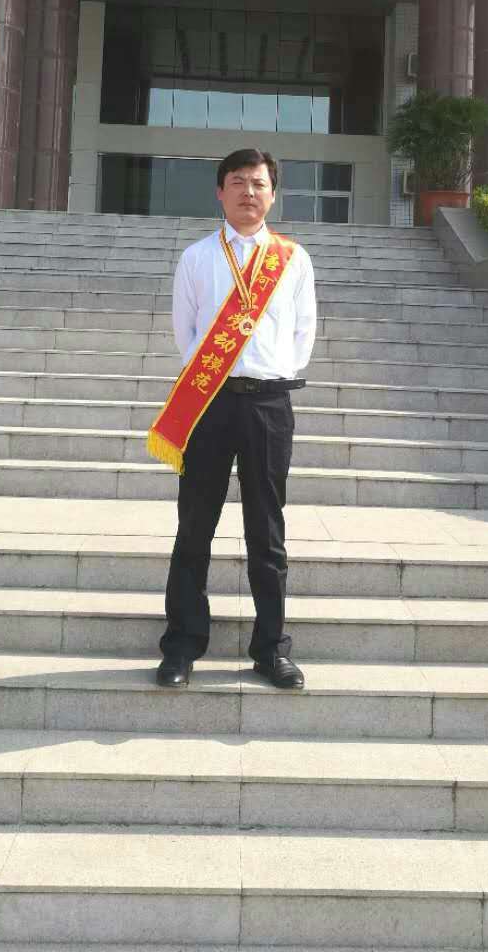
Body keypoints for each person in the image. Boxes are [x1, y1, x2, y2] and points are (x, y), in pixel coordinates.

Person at [148, 148, 316, 691]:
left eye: (259, 183)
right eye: (238, 182)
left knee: (267, 530)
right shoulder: (197, 257)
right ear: (220, 192)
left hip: (269, 405)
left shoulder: (293, 259)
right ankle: (181, 645)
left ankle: (271, 650)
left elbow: (304, 334)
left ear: (273, 194)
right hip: (209, 402)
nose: (249, 191)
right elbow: (186, 331)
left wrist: (268, 373)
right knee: (195, 525)